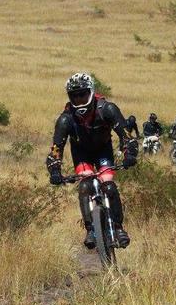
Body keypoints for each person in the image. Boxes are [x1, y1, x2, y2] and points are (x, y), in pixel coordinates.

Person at [45, 73, 138, 250]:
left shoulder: (107, 109)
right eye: (75, 96)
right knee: (85, 185)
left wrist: (130, 154)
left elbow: (126, 136)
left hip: (103, 150)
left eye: (83, 95)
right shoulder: (65, 119)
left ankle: (118, 228)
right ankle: (90, 230)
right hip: (81, 153)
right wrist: (55, 171)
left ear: (91, 92)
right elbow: (56, 149)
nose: (79, 100)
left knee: (109, 185)